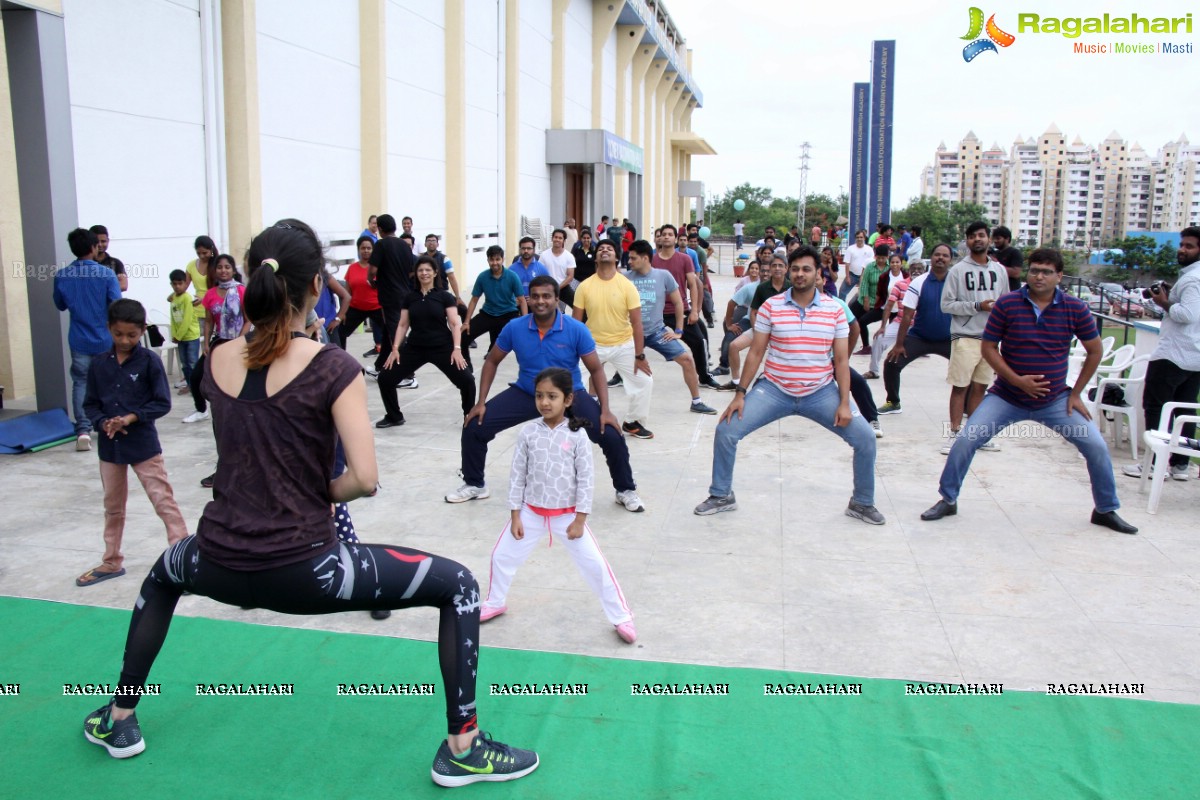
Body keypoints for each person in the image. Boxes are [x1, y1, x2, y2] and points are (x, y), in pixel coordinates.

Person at [79, 219, 539, 787]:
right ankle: (463, 745)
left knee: (162, 575)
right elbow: (364, 480)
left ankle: (118, 717)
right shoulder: (333, 365)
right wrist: (320, 494)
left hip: (216, 561)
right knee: (461, 586)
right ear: (316, 289)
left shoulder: (217, 359)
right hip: (308, 573)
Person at [921, 248, 1137, 535]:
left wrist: (1075, 394)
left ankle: (1106, 509)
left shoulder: (1075, 308)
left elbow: (1095, 351)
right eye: (1034, 270)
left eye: (1047, 271)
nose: (1039, 276)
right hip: (1007, 396)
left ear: (1059, 276)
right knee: (965, 440)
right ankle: (948, 499)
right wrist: (1017, 380)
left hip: (1056, 399)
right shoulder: (1008, 304)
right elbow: (988, 347)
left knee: (1096, 446)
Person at [694, 246, 884, 524]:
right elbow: (757, 352)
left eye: (806, 269)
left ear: (818, 273)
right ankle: (721, 494)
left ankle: (862, 502)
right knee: (726, 430)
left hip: (820, 392)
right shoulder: (773, 306)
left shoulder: (834, 310)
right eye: (795, 269)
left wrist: (844, 402)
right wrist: (740, 393)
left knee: (865, 438)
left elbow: (841, 361)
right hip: (774, 390)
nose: (799, 274)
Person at [445, 275, 644, 512]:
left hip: (568, 395)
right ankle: (474, 483)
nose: (541, 301)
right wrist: (480, 403)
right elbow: (491, 362)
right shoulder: (515, 327)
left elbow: (596, 369)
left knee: (611, 434)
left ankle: (625, 490)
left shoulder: (576, 329)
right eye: (536, 296)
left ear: (557, 299)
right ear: (529, 299)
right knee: (475, 426)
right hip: (527, 392)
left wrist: (606, 410)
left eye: (547, 296)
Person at [478, 366, 636, 642]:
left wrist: (580, 519)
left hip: (568, 517)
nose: (544, 402)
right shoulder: (528, 433)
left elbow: (586, 480)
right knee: (501, 556)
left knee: (596, 566)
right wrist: (516, 514)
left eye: (552, 396)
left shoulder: (577, 436)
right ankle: (494, 601)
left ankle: (621, 617)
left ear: (568, 400)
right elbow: (517, 475)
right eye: (539, 396)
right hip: (530, 513)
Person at [76, 298, 188, 586]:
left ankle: (183, 561)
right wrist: (103, 422)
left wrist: (130, 418)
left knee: (163, 500)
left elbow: (162, 403)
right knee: (113, 506)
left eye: (132, 335)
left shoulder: (150, 361)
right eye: (118, 334)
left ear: (142, 331)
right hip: (110, 447)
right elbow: (90, 404)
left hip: (143, 445)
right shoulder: (100, 364)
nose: (124, 340)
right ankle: (111, 561)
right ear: (109, 329)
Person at [1122, 226, 1200, 481]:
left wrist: (1164, 302)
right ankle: (1180, 465)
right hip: (1193, 356)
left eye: (1189, 246)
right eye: (1182, 244)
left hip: (1174, 354)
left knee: (1155, 407)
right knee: (1183, 411)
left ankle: (1155, 465)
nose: (1182, 249)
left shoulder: (1192, 279)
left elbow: (1187, 315)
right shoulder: (1190, 277)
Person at [376, 256, 475, 428]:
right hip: (415, 347)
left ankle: (470, 415)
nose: (424, 273)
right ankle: (394, 416)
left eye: (428, 270)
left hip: (442, 347)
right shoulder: (410, 297)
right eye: (420, 270)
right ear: (416, 273)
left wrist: (457, 348)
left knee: (467, 380)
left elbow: (454, 322)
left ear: (435, 273)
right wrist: (395, 348)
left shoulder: (444, 296)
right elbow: (402, 324)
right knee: (385, 378)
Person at [624, 239, 716, 415]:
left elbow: (678, 302)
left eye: (633, 258)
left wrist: (679, 331)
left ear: (644, 258)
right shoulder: (626, 278)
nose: (629, 262)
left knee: (687, 360)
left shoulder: (663, 275)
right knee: (614, 364)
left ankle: (696, 402)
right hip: (632, 334)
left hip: (656, 332)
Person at [572, 240, 653, 438]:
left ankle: (632, 422)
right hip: (591, 345)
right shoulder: (585, 286)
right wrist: (573, 351)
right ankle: (581, 417)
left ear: (617, 258)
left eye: (609, 249)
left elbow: (636, 323)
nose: (605, 250)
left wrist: (639, 355)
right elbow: (576, 323)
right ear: (596, 257)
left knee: (645, 381)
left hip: (623, 344)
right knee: (573, 382)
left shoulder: (627, 286)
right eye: (601, 249)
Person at [940, 221, 1008, 452]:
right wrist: (978, 306)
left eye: (981, 235)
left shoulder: (999, 271)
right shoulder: (958, 271)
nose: (977, 239)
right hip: (965, 336)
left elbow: (1006, 303)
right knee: (960, 387)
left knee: (981, 387)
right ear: (967, 241)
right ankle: (955, 434)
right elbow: (946, 305)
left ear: (988, 239)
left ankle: (977, 436)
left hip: (990, 339)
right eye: (972, 236)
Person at [54, 228, 123, 450]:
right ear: (94, 247)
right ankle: (110, 423)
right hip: (104, 338)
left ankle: (83, 430)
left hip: (78, 338)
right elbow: (116, 305)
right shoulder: (106, 275)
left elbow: (60, 304)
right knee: (110, 381)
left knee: (81, 382)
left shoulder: (62, 276)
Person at [879, 243, 955, 416]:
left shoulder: (956, 282)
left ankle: (965, 405)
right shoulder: (919, 282)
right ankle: (893, 402)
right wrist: (899, 344)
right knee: (891, 363)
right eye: (937, 254)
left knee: (968, 367)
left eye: (945, 255)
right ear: (932, 257)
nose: (941, 258)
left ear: (950, 260)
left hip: (948, 338)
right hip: (919, 337)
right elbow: (906, 315)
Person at [184, 254, 249, 425]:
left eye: (227, 267)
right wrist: (206, 344)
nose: (223, 270)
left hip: (239, 342)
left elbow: (249, 320)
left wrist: (239, 342)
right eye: (220, 267)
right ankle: (201, 409)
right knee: (196, 376)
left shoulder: (242, 291)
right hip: (219, 341)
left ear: (233, 270)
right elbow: (209, 321)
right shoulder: (211, 294)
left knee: (236, 380)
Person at [653, 224, 720, 389]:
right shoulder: (652, 260)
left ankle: (704, 377)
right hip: (655, 312)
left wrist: (695, 311)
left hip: (679, 310)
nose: (667, 237)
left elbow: (694, 284)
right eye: (664, 234)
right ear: (659, 238)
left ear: (675, 238)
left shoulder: (685, 259)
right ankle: (620, 376)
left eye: (670, 234)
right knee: (632, 342)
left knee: (699, 341)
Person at [367, 214, 417, 385]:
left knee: (397, 333)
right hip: (404, 294)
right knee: (391, 330)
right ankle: (381, 365)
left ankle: (407, 374)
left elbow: (373, 270)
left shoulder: (381, 244)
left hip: (389, 296)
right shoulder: (404, 246)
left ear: (380, 229)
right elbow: (412, 270)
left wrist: (371, 280)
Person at [462, 244, 528, 356]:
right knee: (464, 335)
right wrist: (467, 322)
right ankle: (466, 365)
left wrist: (525, 321)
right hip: (488, 313)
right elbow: (474, 300)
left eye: (498, 259)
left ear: (503, 259)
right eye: (491, 260)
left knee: (515, 342)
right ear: (488, 260)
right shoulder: (483, 277)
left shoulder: (512, 276)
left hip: (508, 313)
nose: (495, 263)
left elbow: (522, 300)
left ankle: (492, 351)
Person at [864, 261, 916, 380]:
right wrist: (882, 327)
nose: (917, 271)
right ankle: (873, 371)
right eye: (914, 268)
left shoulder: (926, 285)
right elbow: (888, 306)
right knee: (879, 339)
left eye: (920, 269)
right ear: (909, 271)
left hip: (919, 325)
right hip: (900, 322)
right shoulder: (900, 285)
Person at [339, 235, 385, 357]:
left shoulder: (379, 268)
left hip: (377, 308)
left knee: (392, 333)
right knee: (340, 332)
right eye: (363, 248)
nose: (366, 250)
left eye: (369, 248)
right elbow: (347, 292)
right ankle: (340, 361)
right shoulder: (352, 268)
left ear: (373, 250)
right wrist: (342, 312)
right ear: (358, 249)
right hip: (356, 308)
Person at [167, 270, 201, 395]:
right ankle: (189, 385)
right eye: (174, 284)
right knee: (184, 365)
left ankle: (197, 387)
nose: (177, 286)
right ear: (171, 284)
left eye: (180, 283)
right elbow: (173, 318)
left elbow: (186, 319)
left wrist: (179, 335)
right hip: (180, 338)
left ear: (185, 283)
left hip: (191, 336)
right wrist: (174, 334)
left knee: (192, 363)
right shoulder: (174, 298)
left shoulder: (187, 298)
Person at [850, 244, 888, 352]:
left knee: (862, 321)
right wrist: (865, 299)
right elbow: (864, 283)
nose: (880, 260)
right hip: (866, 299)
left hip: (881, 304)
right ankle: (849, 340)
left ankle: (866, 346)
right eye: (878, 257)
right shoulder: (870, 267)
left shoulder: (890, 268)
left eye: (883, 258)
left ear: (887, 257)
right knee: (850, 317)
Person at [539, 229, 575, 307]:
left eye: (560, 238)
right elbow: (540, 273)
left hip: (563, 287)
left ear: (564, 240)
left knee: (577, 304)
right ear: (552, 238)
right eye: (555, 237)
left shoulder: (569, 256)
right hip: (546, 287)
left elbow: (570, 276)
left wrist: (557, 287)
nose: (557, 240)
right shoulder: (544, 255)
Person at [420, 233, 462, 300]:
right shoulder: (420, 259)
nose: (431, 243)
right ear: (425, 244)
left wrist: (458, 297)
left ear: (437, 244)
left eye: (433, 241)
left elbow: (451, 278)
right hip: (424, 294)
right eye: (429, 241)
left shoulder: (445, 259)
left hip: (442, 293)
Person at [90, 224, 128, 292]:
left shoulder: (116, 263)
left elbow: (123, 285)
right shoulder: (84, 262)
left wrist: (98, 289)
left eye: (103, 241)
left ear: (108, 241)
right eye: (96, 242)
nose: (100, 245)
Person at [840, 229, 873, 300]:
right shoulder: (850, 249)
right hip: (852, 275)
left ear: (864, 238)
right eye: (857, 237)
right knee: (842, 292)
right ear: (855, 238)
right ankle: (842, 309)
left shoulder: (869, 249)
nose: (859, 239)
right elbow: (847, 263)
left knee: (864, 294)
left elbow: (872, 263)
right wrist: (847, 277)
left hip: (865, 276)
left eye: (861, 237)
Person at [990, 226, 1024, 292]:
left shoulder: (1015, 252)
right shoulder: (995, 254)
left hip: (1012, 293)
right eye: (994, 239)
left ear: (1007, 239)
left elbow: (1016, 273)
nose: (995, 241)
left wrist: (997, 264)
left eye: (998, 238)